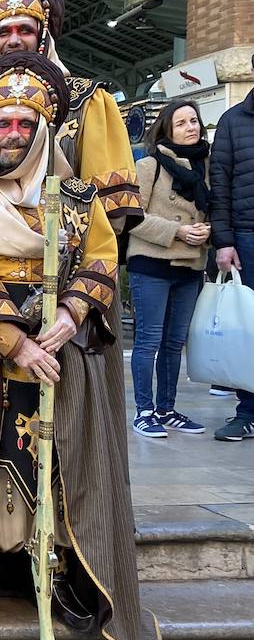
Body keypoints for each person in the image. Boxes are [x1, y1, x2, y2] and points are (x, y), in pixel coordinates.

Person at [0, 52, 159, 640]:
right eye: (2, 124)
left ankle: (56, 580)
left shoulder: (77, 197)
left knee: (62, 470)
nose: (13, 134)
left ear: (43, 131)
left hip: (59, 352)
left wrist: (70, 314)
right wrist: (15, 341)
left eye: (25, 125)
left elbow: (103, 260)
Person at [0, 0, 141, 229]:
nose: (14, 40)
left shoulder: (88, 100)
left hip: (61, 251)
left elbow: (111, 215)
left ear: (44, 37)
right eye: (3, 32)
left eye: (25, 30)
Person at [127, 99, 211, 438]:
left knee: (175, 342)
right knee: (149, 340)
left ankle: (167, 408)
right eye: (182, 123)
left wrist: (209, 231)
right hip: (152, 262)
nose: (191, 127)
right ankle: (144, 411)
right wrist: (176, 230)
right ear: (167, 129)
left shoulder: (205, 168)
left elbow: (213, 210)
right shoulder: (149, 166)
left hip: (191, 265)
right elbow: (132, 217)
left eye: (195, 121)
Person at [210, 70, 254, 441]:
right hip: (247, 237)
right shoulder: (233, 121)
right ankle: (248, 411)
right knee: (248, 329)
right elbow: (219, 184)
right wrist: (224, 241)